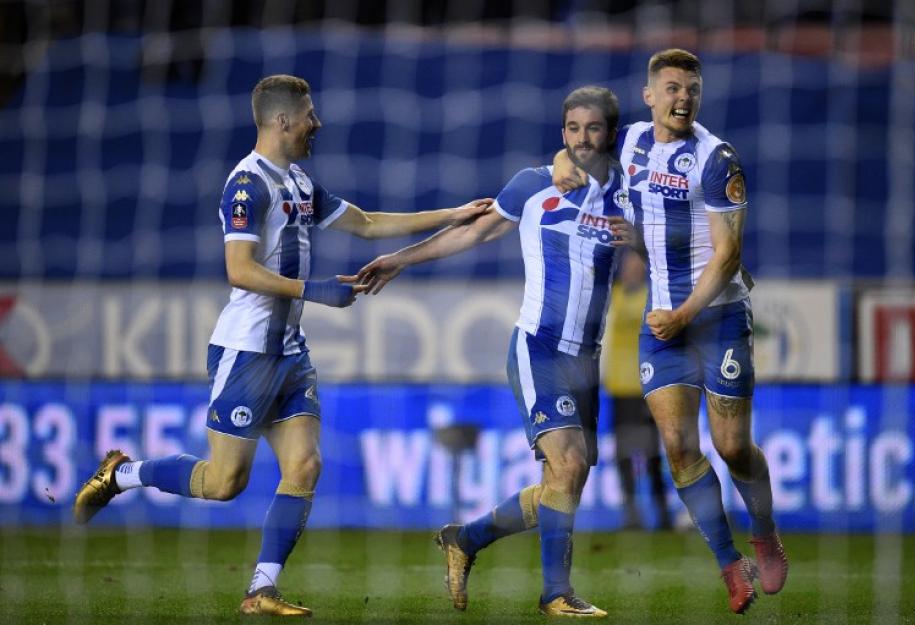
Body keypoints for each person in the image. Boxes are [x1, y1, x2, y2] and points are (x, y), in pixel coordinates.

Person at [72, 74, 491, 617]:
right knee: (224, 483)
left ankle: (260, 590)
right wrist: (313, 290)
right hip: (246, 352)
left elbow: (367, 224)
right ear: (282, 119)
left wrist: (455, 214)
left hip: (291, 353)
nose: (317, 123)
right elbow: (239, 270)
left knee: (306, 465)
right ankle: (121, 474)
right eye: (309, 114)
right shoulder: (246, 185)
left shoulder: (298, 182)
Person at [356, 86, 627, 619]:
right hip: (539, 347)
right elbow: (472, 235)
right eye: (572, 129)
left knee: (563, 483)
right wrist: (400, 259)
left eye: (593, 128)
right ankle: (556, 594)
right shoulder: (534, 184)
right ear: (562, 133)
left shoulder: (626, 191)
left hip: (586, 359)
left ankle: (465, 539)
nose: (581, 139)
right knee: (569, 464)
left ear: (610, 134)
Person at [554, 49, 788, 615]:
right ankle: (730, 566)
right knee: (680, 448)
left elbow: (728, 255)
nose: (684, 99)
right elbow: (581, 147)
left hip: (717, 318)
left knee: (731, 447)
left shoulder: (716, 158)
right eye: (673, 88)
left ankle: (764, 532)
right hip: (662, 323)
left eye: (692, 90)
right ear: (649, 95)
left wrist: (683, 315)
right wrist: (563, 160)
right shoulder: (632, 140)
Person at [601, 249, 672, 531]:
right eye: (628, 266)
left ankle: (663, 514)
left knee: (652, 454)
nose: (632, 271)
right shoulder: (612, 297)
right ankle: (631, 515)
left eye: (637, 267)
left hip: (647, 388)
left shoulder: (650, 298)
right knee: (623, 455)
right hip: (619, 390)